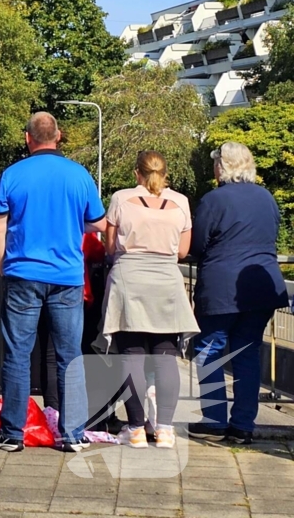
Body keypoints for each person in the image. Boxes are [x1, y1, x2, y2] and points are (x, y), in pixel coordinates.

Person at [0, 112, 106, 453]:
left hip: (22, 273)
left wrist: (4, 264)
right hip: (67, 277)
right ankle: (72, 434)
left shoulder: (12, 175)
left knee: (17, 354)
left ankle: (12, 432)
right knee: (69, 355)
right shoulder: (79, 175)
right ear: (59, 136)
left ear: (28, 138)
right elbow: (97, 224)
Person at [188, 142, 287, 445]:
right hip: (262, 287)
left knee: (209, 350)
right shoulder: (266, 198)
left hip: (221, 288)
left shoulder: (214, 200)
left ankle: (215, 420)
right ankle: (243, 423)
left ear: (223, 167)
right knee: (247, 353)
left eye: (216, 163)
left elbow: (197, 245)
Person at [101, 151, 199, 449]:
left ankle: (134, 430)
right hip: (167, 282)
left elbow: (109, 244)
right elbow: (182, 251)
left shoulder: (121, 198)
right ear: (166, 173)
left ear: (136, 174)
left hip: (129, 279)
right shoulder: (181, 202)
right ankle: (166, 430)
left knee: (132, 355)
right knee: (166, 355)